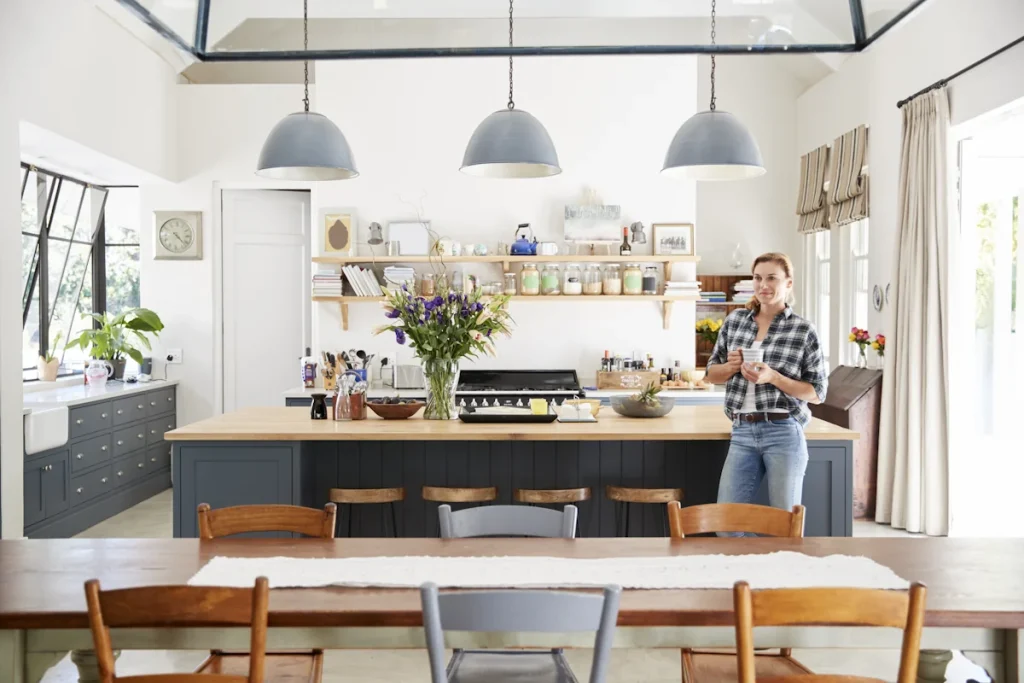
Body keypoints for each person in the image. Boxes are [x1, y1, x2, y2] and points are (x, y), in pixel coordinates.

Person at [704, 252, 828, 529]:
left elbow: (818, 393)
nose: (763, 285)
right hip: (742, 431)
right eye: (758, 278)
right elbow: (712, 373)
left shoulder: (803, 330)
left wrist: (773, 377)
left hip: (784, 431)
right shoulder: (735, 321)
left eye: (772, 278)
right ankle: (757, 566)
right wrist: (731, 366)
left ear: (788, 284)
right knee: (725, 525)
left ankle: (780, 569)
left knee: (785, 526)